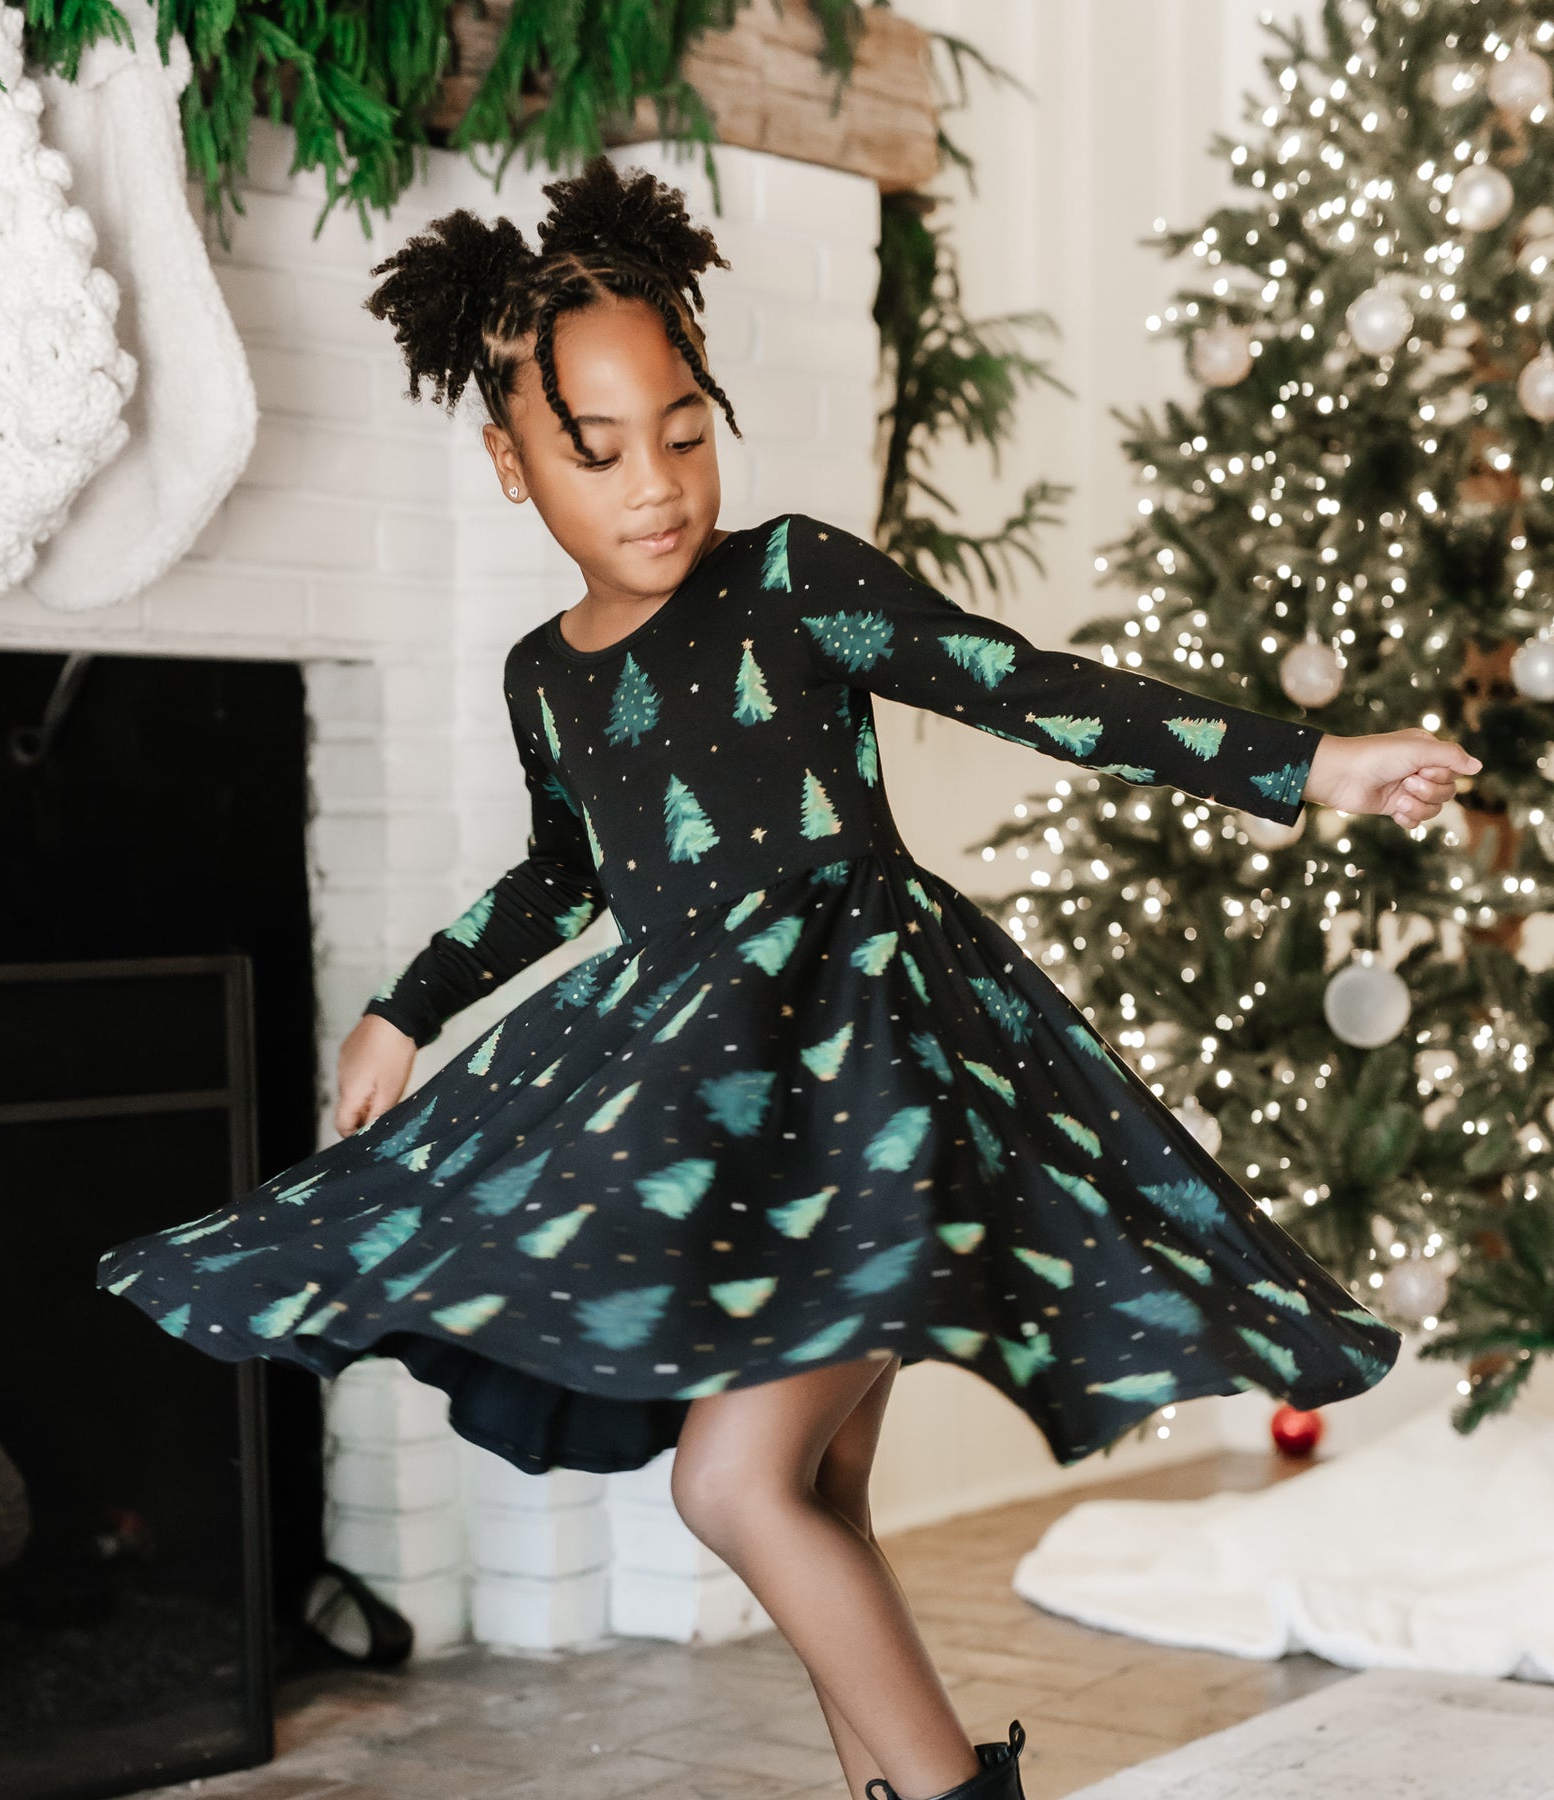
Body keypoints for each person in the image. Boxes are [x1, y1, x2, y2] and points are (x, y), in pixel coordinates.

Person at [96, 158, 1480, 1800]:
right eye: (594, 450)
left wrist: (1308, 766)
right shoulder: (545, 678)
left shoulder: (797, 583)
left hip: (880, 1078)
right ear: (509, 461)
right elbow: (566, 877)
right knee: (814, 1502)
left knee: (727, 1488)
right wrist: (411, 1005)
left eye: (683, 427)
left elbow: (1025, 686)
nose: (656, 482)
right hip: (720, 1105)